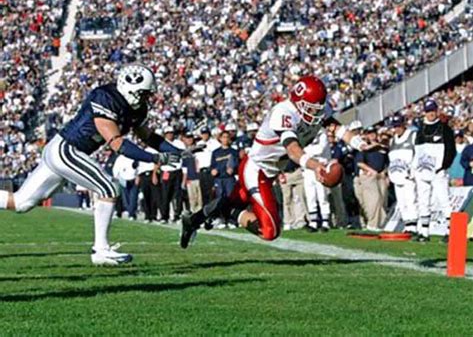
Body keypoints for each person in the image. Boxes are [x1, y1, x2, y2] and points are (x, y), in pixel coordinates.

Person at [0, 64, 180, 265]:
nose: (147, 98)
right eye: (144, 93)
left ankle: (101, 249)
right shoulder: (106, 97)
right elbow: (117, 143)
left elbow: (148, 136)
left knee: (21, 203)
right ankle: (101, 250)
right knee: (108, 188)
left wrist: (175, 151)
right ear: (131, 88)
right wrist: (154, 159)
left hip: (65, 151)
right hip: (67, 149)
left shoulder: (135, 108)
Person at [180, 75, 367, 248]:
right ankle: (227, 213)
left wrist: (361, 144)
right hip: (257, 169)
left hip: (270, 171)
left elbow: (338, 129)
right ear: (299, 103)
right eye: (311, 108)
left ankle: (194, 220)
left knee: (231, 201)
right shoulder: (283, 112)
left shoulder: (314, 109)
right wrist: (317, 166)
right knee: (270, 231)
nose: (317, 113)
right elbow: (293, 151)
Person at [413, 99, 456, 242]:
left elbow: (451, 150)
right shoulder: (420, 130)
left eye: (432, 110)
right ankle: (424, 232)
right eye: (428, 111)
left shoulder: (445, 129)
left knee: (444, 200)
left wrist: (444, 166)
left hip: (438, 171)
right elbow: (417, 151)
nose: (430, 113)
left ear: (437, 111)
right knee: (423, 200)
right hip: (422, 170)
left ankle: (450, 231)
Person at [387, 115, 419, 236]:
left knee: (411, 200)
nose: (397, 129)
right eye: (394, 126)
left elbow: (418, 154)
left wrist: (413, 170)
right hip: (396, 175)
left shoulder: (412, 136)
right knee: (401, 202)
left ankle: (414, 226)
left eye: (399, 126)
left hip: (409, 175)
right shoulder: (392, 140)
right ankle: (407, 224)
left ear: (404, 125)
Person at [354, 126, 389, 231]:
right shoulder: (364, 147)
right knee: (374, 200)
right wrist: (372, 171)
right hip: (370, 176)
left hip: (381, 176)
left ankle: (381, 224)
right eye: (369, 133)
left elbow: (387, 162)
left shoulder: (382, 147)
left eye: (373, 133)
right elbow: (360, 163)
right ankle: (372, 224)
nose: (372, 135)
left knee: (382, 201)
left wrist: (385, 173)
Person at [159, 126, 185, 223]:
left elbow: (183, 156)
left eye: (171, 132)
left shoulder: (179, 143)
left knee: (177, 195)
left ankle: (177, 215)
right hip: (166, 170)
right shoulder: (161, 144)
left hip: (177, 170)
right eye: (168, 133)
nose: (170, 134)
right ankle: (164, 216)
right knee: (165, 195)